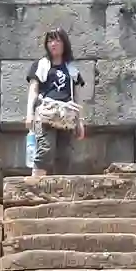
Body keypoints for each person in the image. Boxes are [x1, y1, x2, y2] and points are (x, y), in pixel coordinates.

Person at [25, 28, 85, 181]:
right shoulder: (40, 65)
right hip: (46, 113)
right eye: (50, 41)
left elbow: (77, 95)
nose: (53, 44)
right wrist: (29, 113)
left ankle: (60, 190)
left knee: (64, 154)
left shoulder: (71, 68)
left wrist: (80, 121)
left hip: (66, 115)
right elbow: (33, 89)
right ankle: (35, 184)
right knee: (45, 149)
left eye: (57, 40)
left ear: (64, 44)